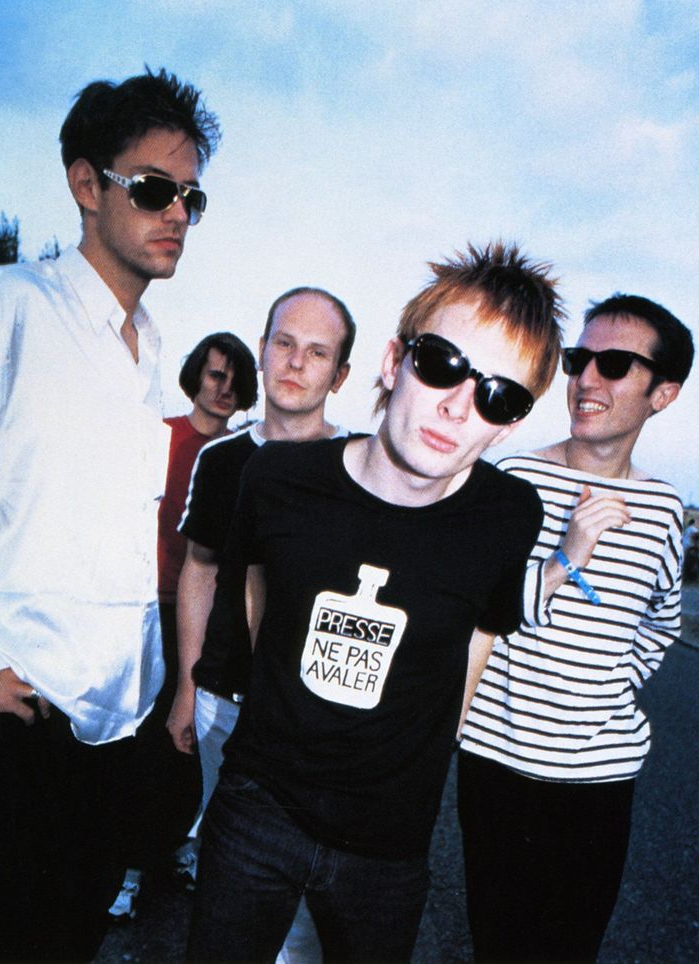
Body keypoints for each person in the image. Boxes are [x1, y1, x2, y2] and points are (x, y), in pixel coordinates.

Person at [185, 242, 564, 962]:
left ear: (510, 423)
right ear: (395, 361)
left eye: (498, 394)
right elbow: (261, 600)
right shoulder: (278, 479)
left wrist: (431, 747)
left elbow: (478, 637)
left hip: (390, 844)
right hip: (259, 806)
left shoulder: (509, 514)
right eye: (444, 364)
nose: (458, 405)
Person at [0, 68, 219, 963]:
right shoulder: (4, 310)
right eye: (153, 189)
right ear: (85, 184)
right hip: (8, 723)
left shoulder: (151, 352)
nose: (177, 213)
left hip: (111, 730)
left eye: (191, 196)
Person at [458, 293, 694, 963]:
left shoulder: (665, 508)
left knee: (571, 948)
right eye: (580, 359)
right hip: (498, 761)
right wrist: (566, 557)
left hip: (600, 776)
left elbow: (661, 622)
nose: (587, 379)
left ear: (664, 393)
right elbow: (480, 608)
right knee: (500, 947)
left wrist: (609, 683)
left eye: (615, 364)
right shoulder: (513, 478)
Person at [168, 285, 355, 961]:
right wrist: (189, 686)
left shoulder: (364, 465)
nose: (295, 363)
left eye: (317, 352)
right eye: (284, 343)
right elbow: (200, 568)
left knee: (308, 891)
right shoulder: (220, 461)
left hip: (320, 720)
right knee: (232, 879)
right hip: (226, 702)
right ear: (263, 348)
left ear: (340, 375)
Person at [111, 332, 259, 917]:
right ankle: (126, 867)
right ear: (196, 375)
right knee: (144, 739)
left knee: (193, 741)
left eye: (235, 380)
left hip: (203, 615)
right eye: (215, 374)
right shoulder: (162, 436)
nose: (224, 388)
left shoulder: (244, 454)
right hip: (145, 604)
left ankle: (178, 848)